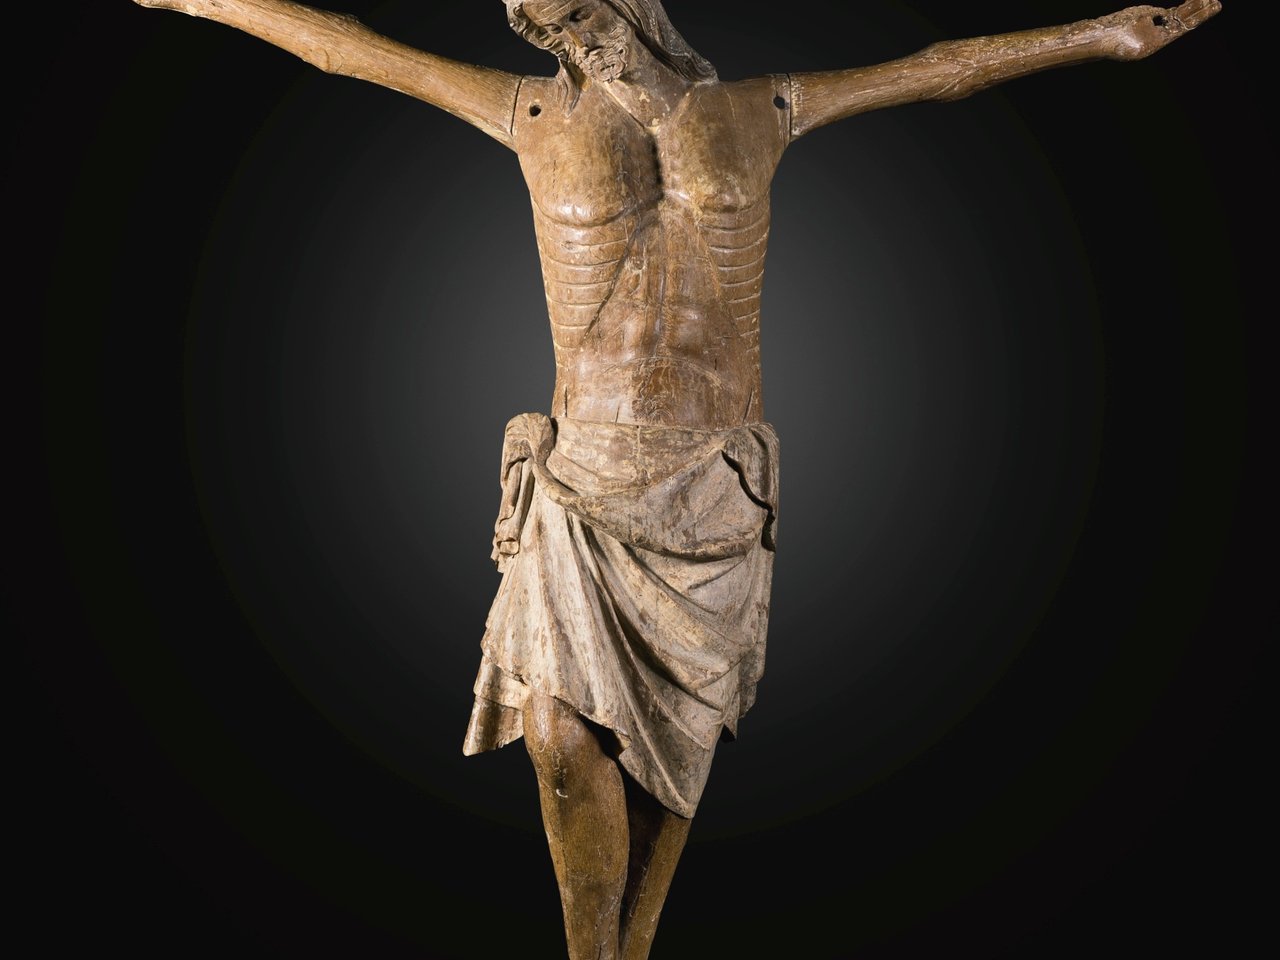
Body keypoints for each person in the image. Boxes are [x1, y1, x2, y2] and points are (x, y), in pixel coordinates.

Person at [130, 2, 1222, 957]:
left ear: (632, 5)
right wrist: (211, 2)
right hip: (583, 483)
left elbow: (934, 70)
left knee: (675, 752)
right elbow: (352, 51)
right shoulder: (530, 113)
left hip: (708, 482)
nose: (571, 40)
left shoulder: (756, 109)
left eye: (580, 14)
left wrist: (1102, 34)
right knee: (559, 737)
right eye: (546, 26)